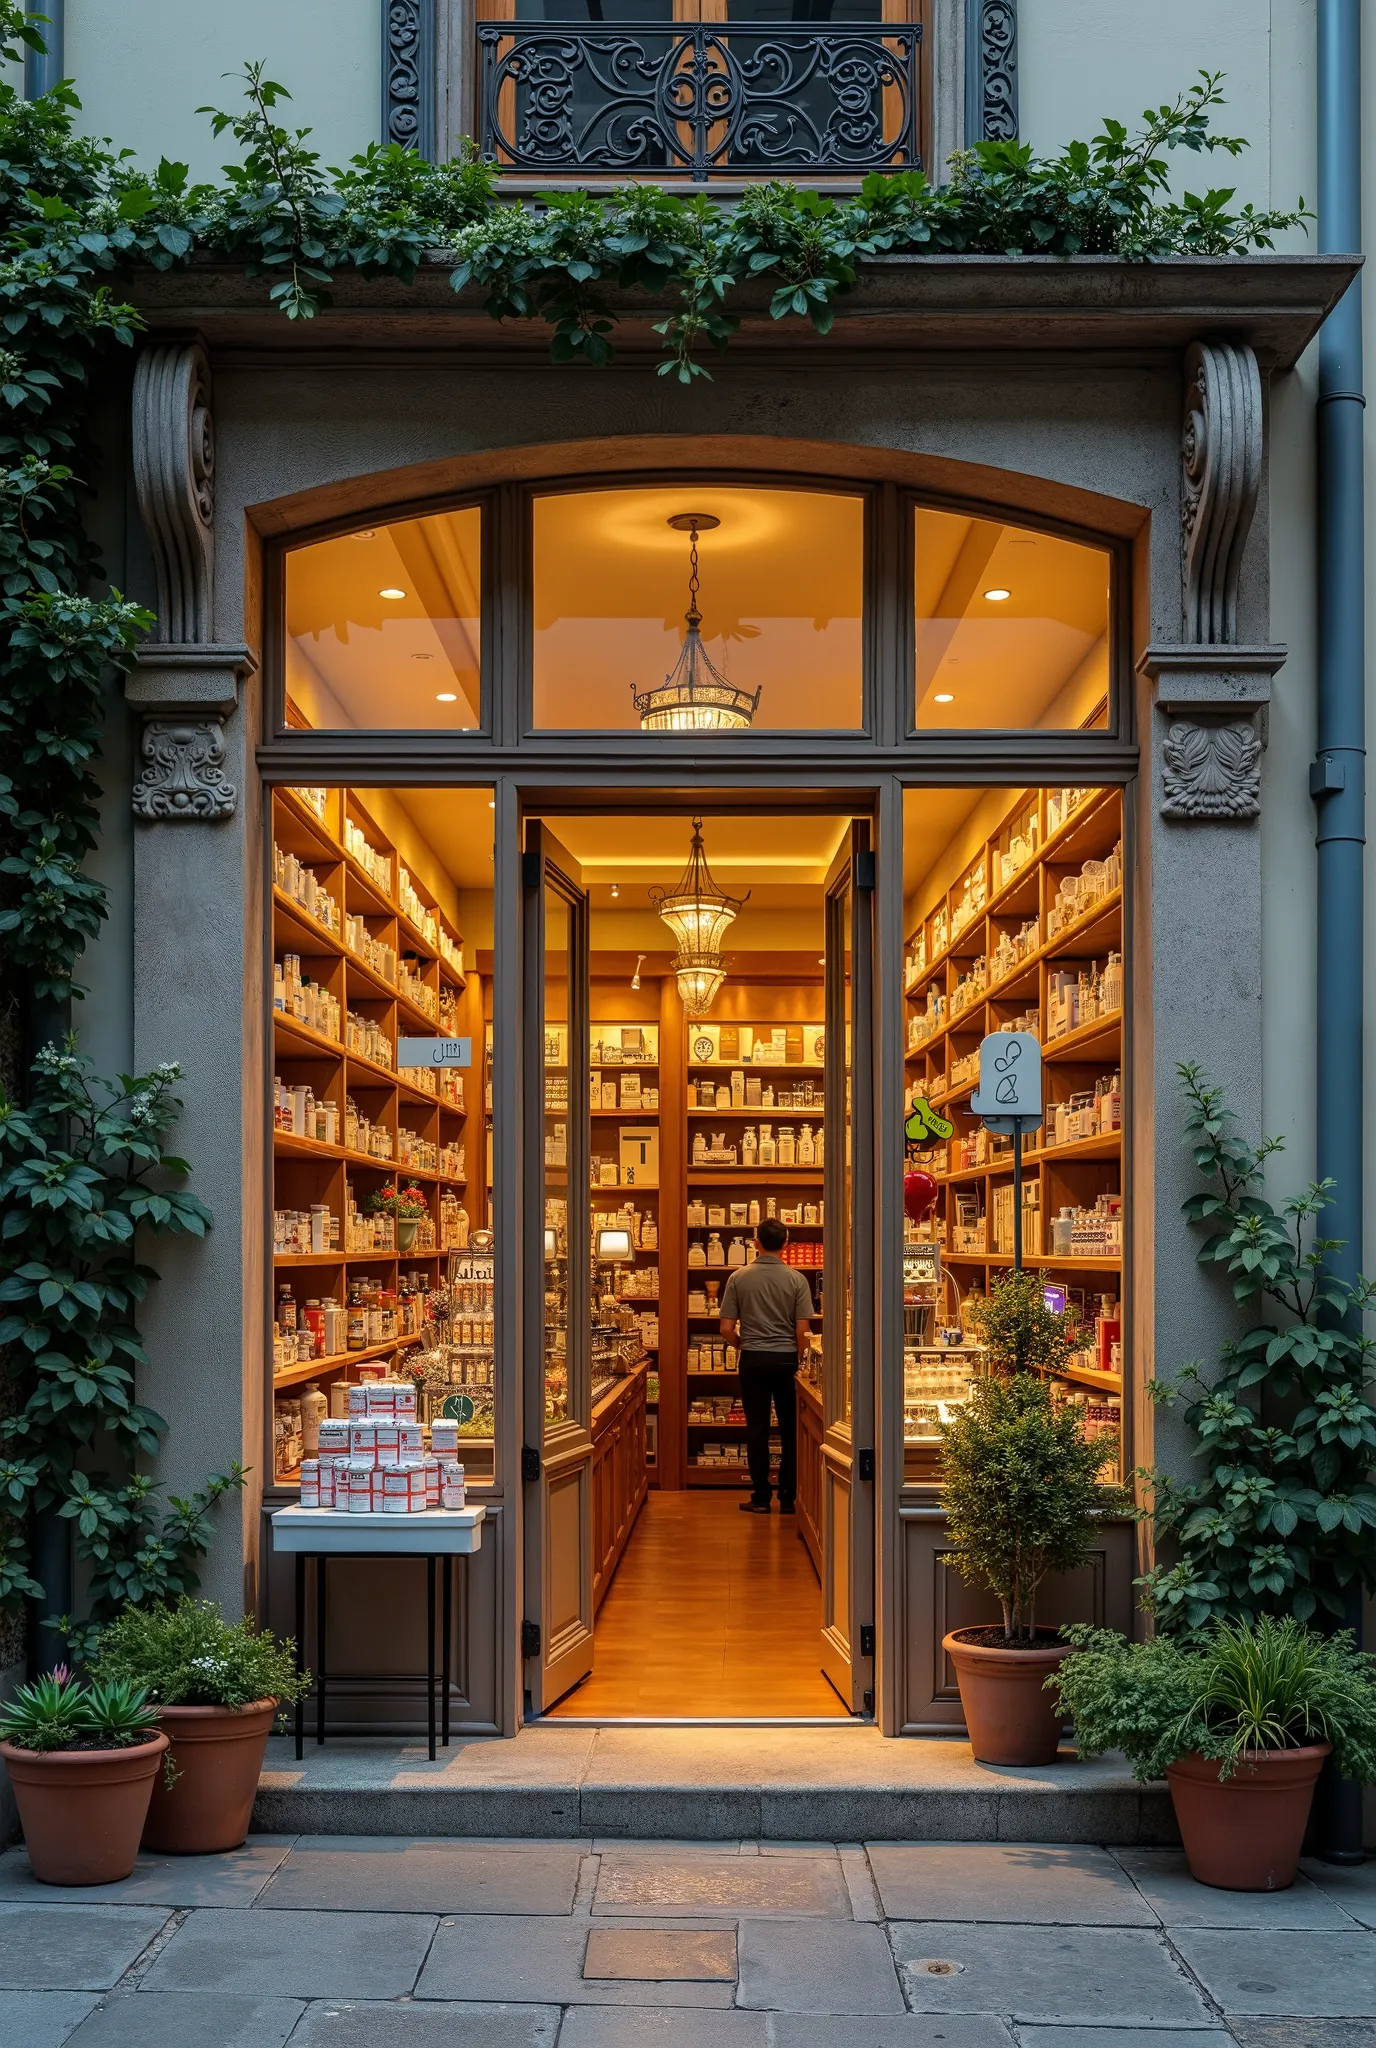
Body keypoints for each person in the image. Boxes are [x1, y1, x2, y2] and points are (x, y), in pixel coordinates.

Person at [719, 1216, 813, 1513]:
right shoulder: (797, 1279)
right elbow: (803, 1331)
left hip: (754, 1360)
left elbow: (725, 1328)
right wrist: (800, 1359)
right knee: (790, 1429)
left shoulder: (738, 1277)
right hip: (787, 1361)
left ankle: (760, 1497)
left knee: (756, 1428)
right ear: (786, 1244)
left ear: (755, 1242)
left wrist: (744, 1344)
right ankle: (787, 1498)